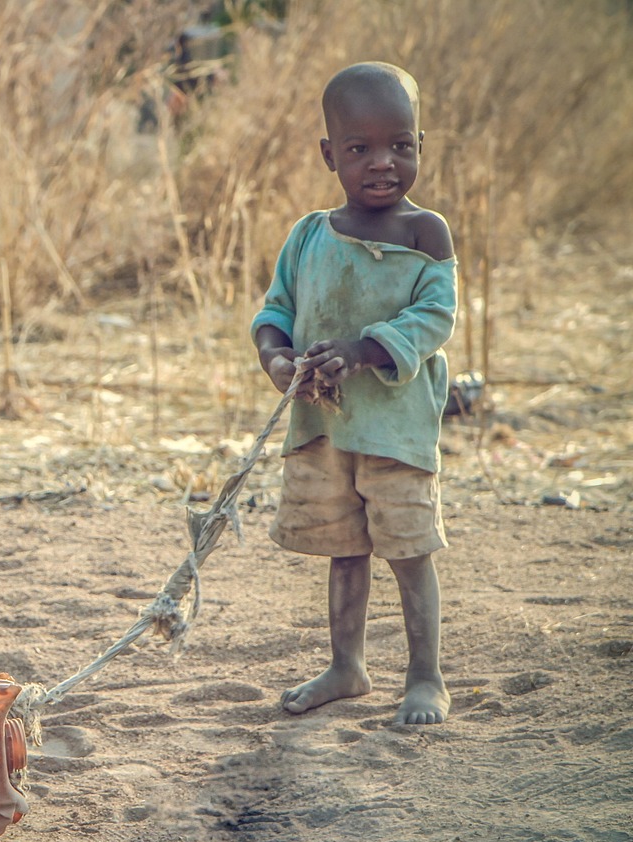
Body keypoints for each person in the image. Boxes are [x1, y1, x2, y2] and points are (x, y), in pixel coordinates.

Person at [251, 62, 456, 725]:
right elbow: (274, 310)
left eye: (401, 144)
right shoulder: (309, 235)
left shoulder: (426, 233)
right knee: (346, 549)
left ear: (421, 144)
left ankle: (425, 676)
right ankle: (348, 665)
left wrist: (362, 351)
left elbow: (434, 318)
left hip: (396, 429)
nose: (382, 163)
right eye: (359, 148)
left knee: (409, 549)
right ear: (328, 154)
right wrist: (280, 362)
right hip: (326, 429)